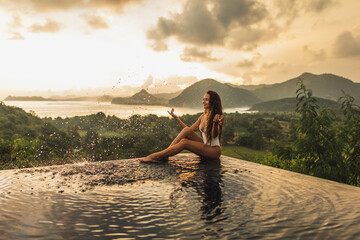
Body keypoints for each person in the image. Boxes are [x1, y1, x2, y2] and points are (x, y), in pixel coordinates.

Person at [139, 90, 224, 163]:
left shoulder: (218, 116)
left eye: (206, 100)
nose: (203, 101)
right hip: (205, 145)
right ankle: (165, 154)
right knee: (186, 130)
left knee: (185, 142)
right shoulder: (203, 116)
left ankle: (155, 156)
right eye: (203, 99)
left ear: (213, 101)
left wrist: (215, 123)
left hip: (213, 151)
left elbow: (214, 135)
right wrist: (177, 118)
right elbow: (189, 130)